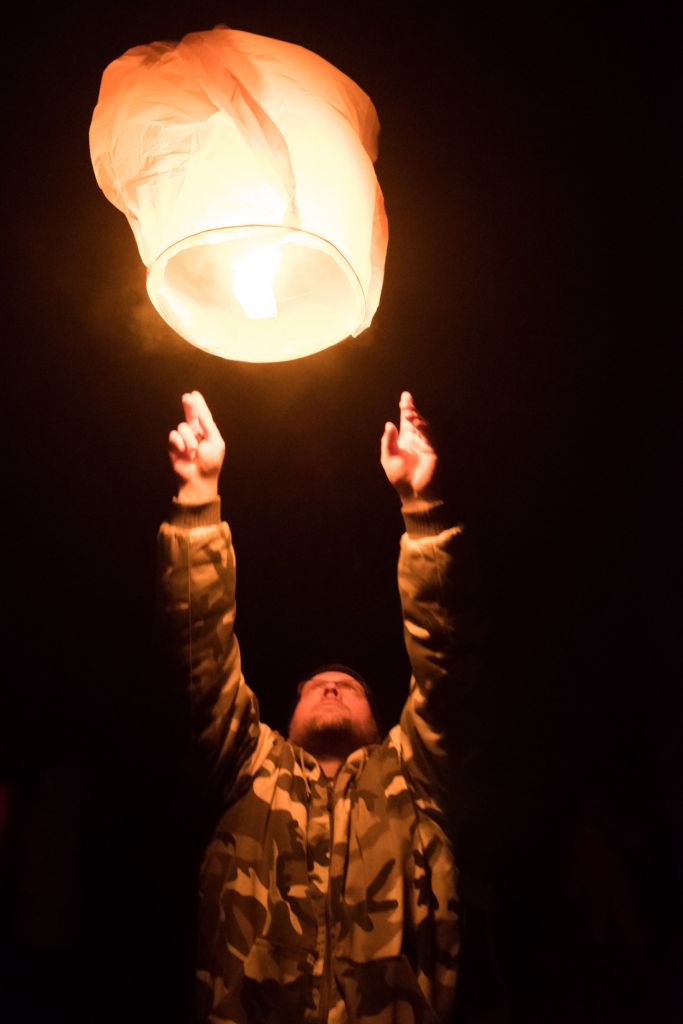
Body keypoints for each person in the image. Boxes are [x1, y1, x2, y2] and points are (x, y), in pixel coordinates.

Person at [158, 389, 482, 1024]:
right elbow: (199, 661)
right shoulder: (251, 770)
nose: (332, 688)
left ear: (380, 723)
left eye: (349, 687)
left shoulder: (412, 777)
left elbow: (448, 664)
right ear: (286, 721)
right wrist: (198, 496)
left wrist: (423, 507)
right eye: (317, 686)